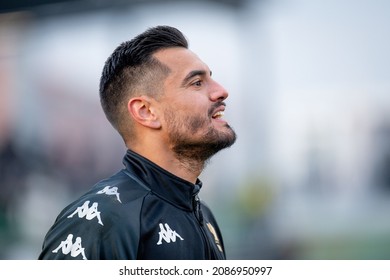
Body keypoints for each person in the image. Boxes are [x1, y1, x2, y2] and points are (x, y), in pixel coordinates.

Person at [38, 25, 237, 260]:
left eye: (211, 78)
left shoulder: (204, 215)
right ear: (146, 111)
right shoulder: (100, 219)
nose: (221, 91)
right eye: (196, 83)